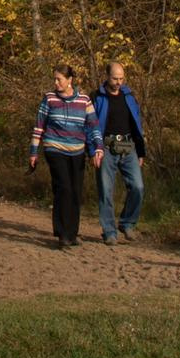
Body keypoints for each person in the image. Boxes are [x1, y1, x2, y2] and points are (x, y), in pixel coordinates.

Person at [26, 65, 96, 249]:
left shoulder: (84, 100)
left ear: (69, 80)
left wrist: (98, 148)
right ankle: (63, 234)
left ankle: (72, 232)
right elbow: (39, 126)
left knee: (75, 190)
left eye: (59, 79)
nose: (56, 83)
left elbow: (93, 126)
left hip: (77, 150)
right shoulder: (49, 99)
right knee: (64, 187)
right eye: (55, 79)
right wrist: (34, 151)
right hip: (54, 147)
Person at [91, 61, 150, 244]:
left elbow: (137, 124)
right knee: (106, 191)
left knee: (138, 187)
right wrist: (94, 150)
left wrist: (140, 151)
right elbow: (91, 125)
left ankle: (127, 223)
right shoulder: (97, 97)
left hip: (128, 146)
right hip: (106, 147)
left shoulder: (129, 96)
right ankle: (109, 231)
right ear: (107, 77)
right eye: (115, 78)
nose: (118, 82)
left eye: (121, 78)